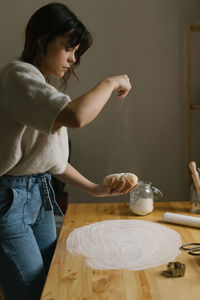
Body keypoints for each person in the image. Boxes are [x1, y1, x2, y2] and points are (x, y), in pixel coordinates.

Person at [0, 2, 135, 299]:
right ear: (41, 40)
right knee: (32, 292)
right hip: (9, 200)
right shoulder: (17, 76)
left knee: (53, 280)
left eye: (76, 53)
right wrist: (111, 82)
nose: (73, 59)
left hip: (39, 195)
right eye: (68, 48)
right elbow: (77, 116)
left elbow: (52, 162)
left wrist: (95, 189)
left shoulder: (42, 91)